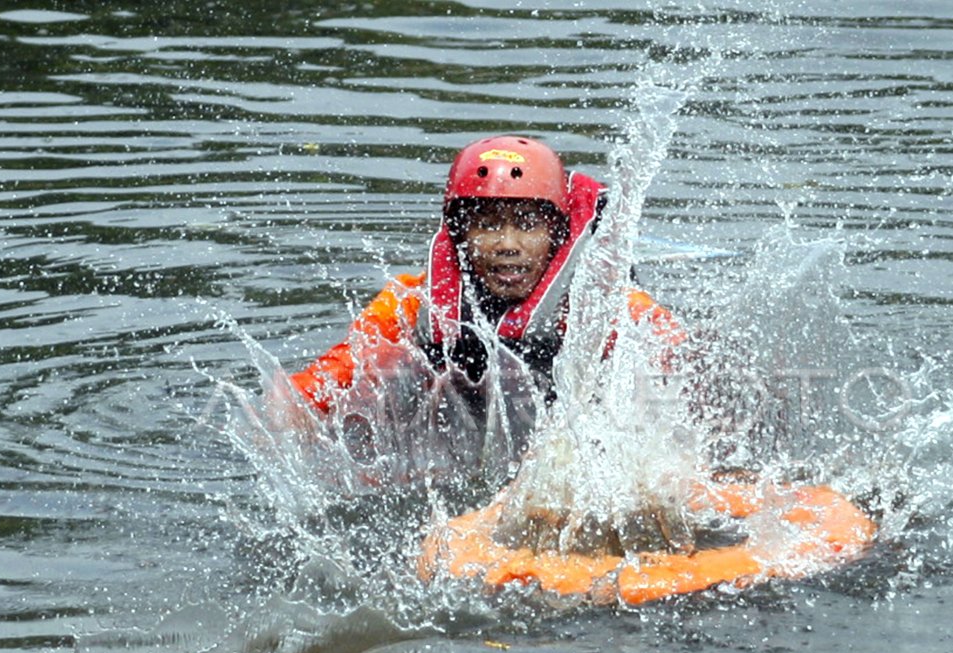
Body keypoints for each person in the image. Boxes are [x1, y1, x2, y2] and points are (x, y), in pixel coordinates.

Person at [284, 135, 683, 438]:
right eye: (488, 224)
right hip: (461, 438)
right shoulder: (413, 303)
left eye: (527, 225)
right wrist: (289, 422)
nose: (508, 245)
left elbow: (678, 357)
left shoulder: (600, 303)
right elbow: (320, 384)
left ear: (558, 234)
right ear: (460, 234)